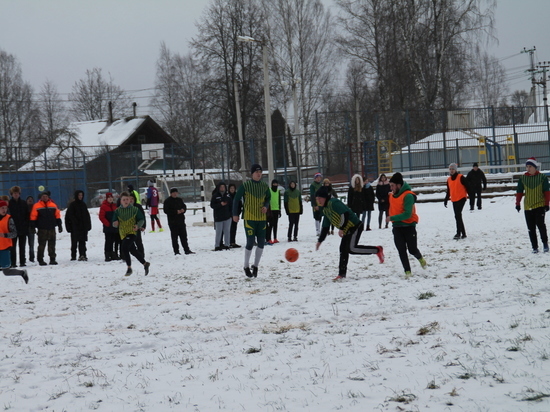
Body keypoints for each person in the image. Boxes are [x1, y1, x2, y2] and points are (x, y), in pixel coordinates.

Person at [314, 186, 384, 281]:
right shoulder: (325, 209)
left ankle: (377, 250)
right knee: (343, 249)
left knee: (352, 249)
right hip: (347, 228)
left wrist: (342, 228)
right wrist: (320, 241)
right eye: (317, 199)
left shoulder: (334, 202)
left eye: (319, 198)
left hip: (355, 226)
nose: (318, 201)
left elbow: (345, 214)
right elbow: (325, 226)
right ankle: (341, 274)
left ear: (325, 197)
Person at [232, 163, 271, 278]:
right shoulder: (246, 185)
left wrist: (266, 206)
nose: (259, 174)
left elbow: (268, 197)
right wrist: (235, 214)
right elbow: (236, 199)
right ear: (252, 173)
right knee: (250, 242)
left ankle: (256, 265)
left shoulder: (264, 186)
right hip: (249, 218)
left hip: (261, 219)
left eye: (260, 172)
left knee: (261, 243)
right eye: (256, 172)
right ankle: (246, 266)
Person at [386, 172, 427, 277]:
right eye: (390, 186)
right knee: (401, 250)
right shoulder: (391, 196)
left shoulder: (408, 196)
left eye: (392, 186)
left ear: (399, 185)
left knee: (412, 249)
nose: (391, 188)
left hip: (409, 226)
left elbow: (407, 214)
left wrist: (392, 218)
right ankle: (407, 271)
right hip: (396, 227)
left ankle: (420, 258)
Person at [515, 157, 550, 253]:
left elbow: (547, 191)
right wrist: (517, 203)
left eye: (530, 166)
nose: (528, 168)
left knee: (541, 225)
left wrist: (547, 204)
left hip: (539, 205)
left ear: (535, 167)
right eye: (527, 167)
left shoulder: (542, 178)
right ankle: (534, 247)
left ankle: (545, 243)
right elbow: (519, 191)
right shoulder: (523, 178)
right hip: (528, 206)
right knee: (531, 228)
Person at [112, 191, 150, 276]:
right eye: (124, 200)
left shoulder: (135, 209)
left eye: (127, 199)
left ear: (130, 200)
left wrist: (138, 225)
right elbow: (114, 222)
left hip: (132, 232)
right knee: (133, 251)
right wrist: (115, 223)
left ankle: (129, 268)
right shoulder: (117, 211)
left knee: (124, 247)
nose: (125, 201)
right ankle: (145, 264)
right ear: (121, 201)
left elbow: (141, 219)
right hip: (123, 233)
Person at [30, 191, 63, 266]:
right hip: (42, 229)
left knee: (52, 244)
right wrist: (33, 226)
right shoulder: (36, 206)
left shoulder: (53, 205)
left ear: (48, 197)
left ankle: (52, 259)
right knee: (42, 245)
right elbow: (33, 216)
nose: (44, 197)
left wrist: (59, 225)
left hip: (51, 228)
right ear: (41, 197)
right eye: (43, 196)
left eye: (46, 196)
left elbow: (57, 215)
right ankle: (40, 259)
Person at [0, 200, 28, 284]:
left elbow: (14, 233)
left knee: (6, 271)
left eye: (5, 208)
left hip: (4, 247)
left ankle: (22, 273)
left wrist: (4, 235)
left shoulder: (9, 219)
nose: (4, 210)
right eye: (2, 208)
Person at [163, 187, 194, 255]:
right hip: (173, 222)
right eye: (173, 193)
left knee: (184, 237)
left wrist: (183, 210)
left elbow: (184, 206)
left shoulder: (180, 200)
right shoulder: (167, 201)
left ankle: (187, 250)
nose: (175, 194)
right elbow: (166, 210)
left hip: (181, 221)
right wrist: (175, 212)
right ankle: (176, 251)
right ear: (171, 193)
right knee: (174, 238)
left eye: (176, 192)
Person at [64, 190, 92, 261]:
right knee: (74, 242)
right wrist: (68, 226)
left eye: (81, 195)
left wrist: (88, 225)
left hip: (83, 227)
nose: (80, 197)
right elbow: (68, 217)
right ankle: (73, 256)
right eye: (79, 195)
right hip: (75, 227)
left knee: (82, 242)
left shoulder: (83, 205)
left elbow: (87, 216)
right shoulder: (72, 205)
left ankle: (82, 254)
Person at [444, 163, 469, 239]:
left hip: (461, 198)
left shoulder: (461, 177)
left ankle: (458, 233)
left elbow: (468, 186)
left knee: (457, 215)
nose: (451, 170)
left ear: (456, 170)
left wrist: (471, 196)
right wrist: (446, 199)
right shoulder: (448, 180)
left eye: (453, 169)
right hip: (454, 199)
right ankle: (463, 233)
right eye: (450, 169)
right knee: (458, 216)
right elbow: (448, 191)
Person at [8, 186, 29, 267]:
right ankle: (13, 262)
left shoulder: (23, 203)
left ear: (19, 194)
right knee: (12, 247)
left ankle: (22, 261)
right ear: (11, 194)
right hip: (12, 229)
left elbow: (27, 215)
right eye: (14, 193)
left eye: (17, 193)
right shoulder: (9, 204)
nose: (16, 195)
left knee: (22, 246)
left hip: (22, 228)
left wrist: (26, 226)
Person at [99, 192, 120, 261]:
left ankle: (112, 253)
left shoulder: (114, 206)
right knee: (108, 241)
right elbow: (101, 216)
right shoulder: (104, 206)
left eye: (111, 197)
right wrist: (107, 224)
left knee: (113, 240)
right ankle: (107, 254)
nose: (110, 199)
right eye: (109, 198)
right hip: (108, 227)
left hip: (114, 227)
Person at [210, 181, 232, 251]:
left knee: (227, 231)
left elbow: (231, 205)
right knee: (218, 232)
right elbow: (212, 205)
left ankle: (227, 244)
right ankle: (217, 245)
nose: (222, 188)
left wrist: (230, 214)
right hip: (218, 217)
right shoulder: (215, 195)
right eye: (221, 187)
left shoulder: (228, 195)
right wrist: (220, 204)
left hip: (227, 217)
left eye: (223, 187)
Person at [129, 192, 146, 257]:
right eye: (129, 199)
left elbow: (143, 217)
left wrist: (143, 226)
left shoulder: (138, 206)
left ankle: (141, 254)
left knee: (138, 241)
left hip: (137, 226)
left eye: (132, 199)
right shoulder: (125, 207)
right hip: (128, 227)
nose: (130, 200)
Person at [266, 179, 281, 244]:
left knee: (275, 225)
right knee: (270, 225)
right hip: (270, 210)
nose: (275, 185)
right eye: (274, 183)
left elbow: (279, 201)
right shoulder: (269, 190)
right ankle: (269, 238)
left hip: (276, 209)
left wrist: (279, 210)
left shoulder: (278, 191)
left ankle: (275, 238)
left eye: (276, 183)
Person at [228, 183, 241, 248]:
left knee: (234, 229)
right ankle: (228, 242)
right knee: (228, 229)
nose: (232, 190)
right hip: (229, 216)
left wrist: (237, 214)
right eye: (231, 188)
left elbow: (240, 205)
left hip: (235, 215)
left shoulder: (237, 196)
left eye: (233, 188)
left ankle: (233, 242)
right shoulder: (227, 196)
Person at [26, 196, 35, 263]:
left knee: (31, 244)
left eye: (31, 199)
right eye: (29, 199)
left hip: (31, 227)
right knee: (22, 245)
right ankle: (22, 258)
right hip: (24, 227)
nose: (30, 200)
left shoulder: (34, 208)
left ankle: (32, 257)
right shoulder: (23, 208)